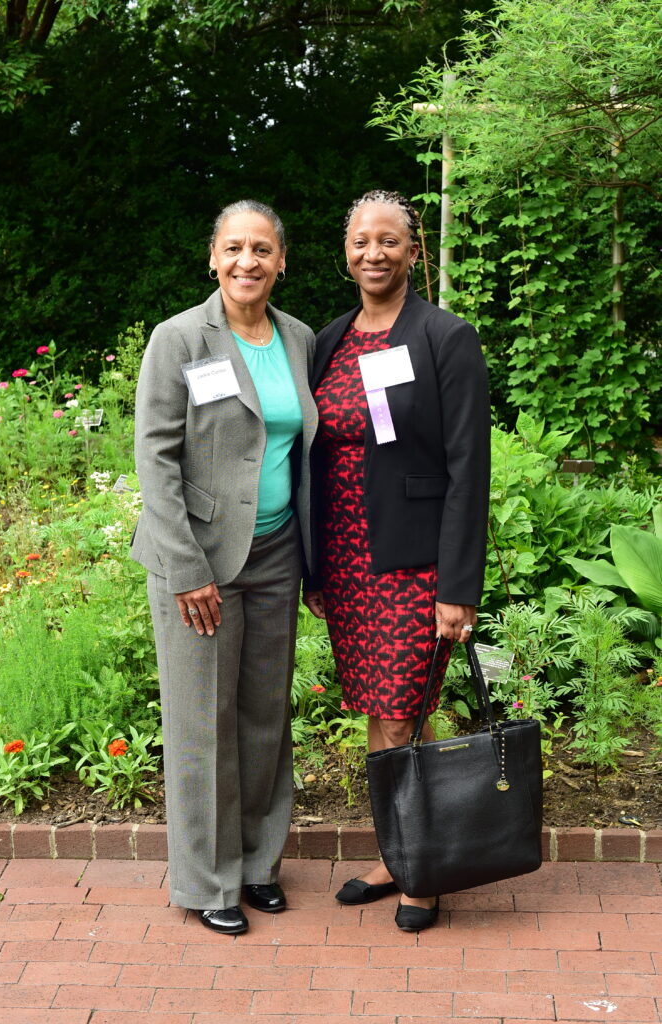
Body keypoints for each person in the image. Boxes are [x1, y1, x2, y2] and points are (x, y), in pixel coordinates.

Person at [304, 189, 490, 932]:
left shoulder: (444, 338)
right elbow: (311, 457)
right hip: (349, 561)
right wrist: (315, 569)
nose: (372, 253)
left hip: (414, 563)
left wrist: (456, 586)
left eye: (388, 240)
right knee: (378, 716)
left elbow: (467, 467)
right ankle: (397, 851)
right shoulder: (328, 341)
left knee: (402, 709)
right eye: (359, 241)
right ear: (345, 251)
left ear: (413, 252)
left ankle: (421, 867)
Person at [132, 200, 318, 935]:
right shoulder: (178, 338)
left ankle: (257, 865)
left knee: (265, 717)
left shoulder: (300, 338)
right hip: (199, 559)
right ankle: (208, 880)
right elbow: (154, 459)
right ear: (213, 257)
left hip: (276, 553)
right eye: (234, 248)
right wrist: (185, 568)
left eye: (262, 250)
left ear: (281, 261)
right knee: (201, 722)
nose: (248, 262)